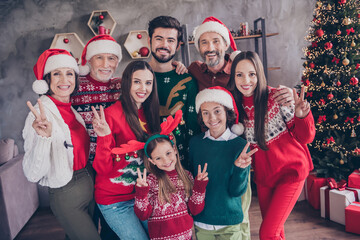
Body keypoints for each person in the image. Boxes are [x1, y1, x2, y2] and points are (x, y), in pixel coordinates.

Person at [188, 16, 295, 239]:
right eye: (204, 42)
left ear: (226, 44)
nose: (210, 48)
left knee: (240, 212)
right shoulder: (195, 70)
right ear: (197, 47)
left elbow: (260, 88)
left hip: (239, 144)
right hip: (212, 146)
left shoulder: (238, 69)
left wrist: (288, 95)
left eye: (216, 41)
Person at [227, 51, 315, 240]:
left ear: (259, 74)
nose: (246, 80)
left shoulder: (278, 97)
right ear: (233, 77)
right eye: (239, 74)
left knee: (268, 233)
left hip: (291, 172)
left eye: (252, 74)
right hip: (265, 178)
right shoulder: (234, 107)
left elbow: (306, 137)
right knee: (276, 232)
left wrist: (301, 115)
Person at [22, 49, 101, 240]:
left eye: (69, 73)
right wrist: (43, 138)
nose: (64, 80)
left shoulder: (72, 110)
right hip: (67, 194)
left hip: (89, 186)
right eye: (56, 74)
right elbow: (32, 173)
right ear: (47, 81)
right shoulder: (40, 115)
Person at [111, 110, 208, 240]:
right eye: (158, 158)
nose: (166, 161)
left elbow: (195, 210)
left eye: (168, 153)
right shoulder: (149, 182)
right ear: (151, 161)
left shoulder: (187, 176)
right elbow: (143, 214)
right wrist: (141, 192)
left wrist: (199, 187)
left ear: (174, 150)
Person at [91, 60, 161, 239]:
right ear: (127, 82)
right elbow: (102, 168)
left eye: (148, 83)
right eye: (137, 81)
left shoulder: (150, 114)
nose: (143, 88)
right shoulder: (111, 115)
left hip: (143, 195)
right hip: (115, 201)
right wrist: (105, 136)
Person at [71, 34, 122, 240]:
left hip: (112, 163)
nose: (105, 64)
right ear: (88, 61)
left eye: (111, 58)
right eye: (99, 58)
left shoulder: (121, 86)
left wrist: (178, 65)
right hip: (83, 166)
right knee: (85, 221)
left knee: (112, 221)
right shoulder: (74, 85)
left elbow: (146, 80)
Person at [189, 86, 258, 240]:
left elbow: (237, 191)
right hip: (202, 222)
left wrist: (240, 169)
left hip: (229, 224)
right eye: (205, 113)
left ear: (227, 112)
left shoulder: (240, 146)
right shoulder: (195, 143)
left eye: (217, 111)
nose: (212, 118)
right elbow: (192, 183)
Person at [148, 16, 201, 170]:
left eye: (170, 40)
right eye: (159, 38)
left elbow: (193, 127)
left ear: (178, 46)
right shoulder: (137, 78)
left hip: (179, 162)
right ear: (149, 40)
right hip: (145, 161)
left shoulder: (187, 80)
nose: (164, 45)